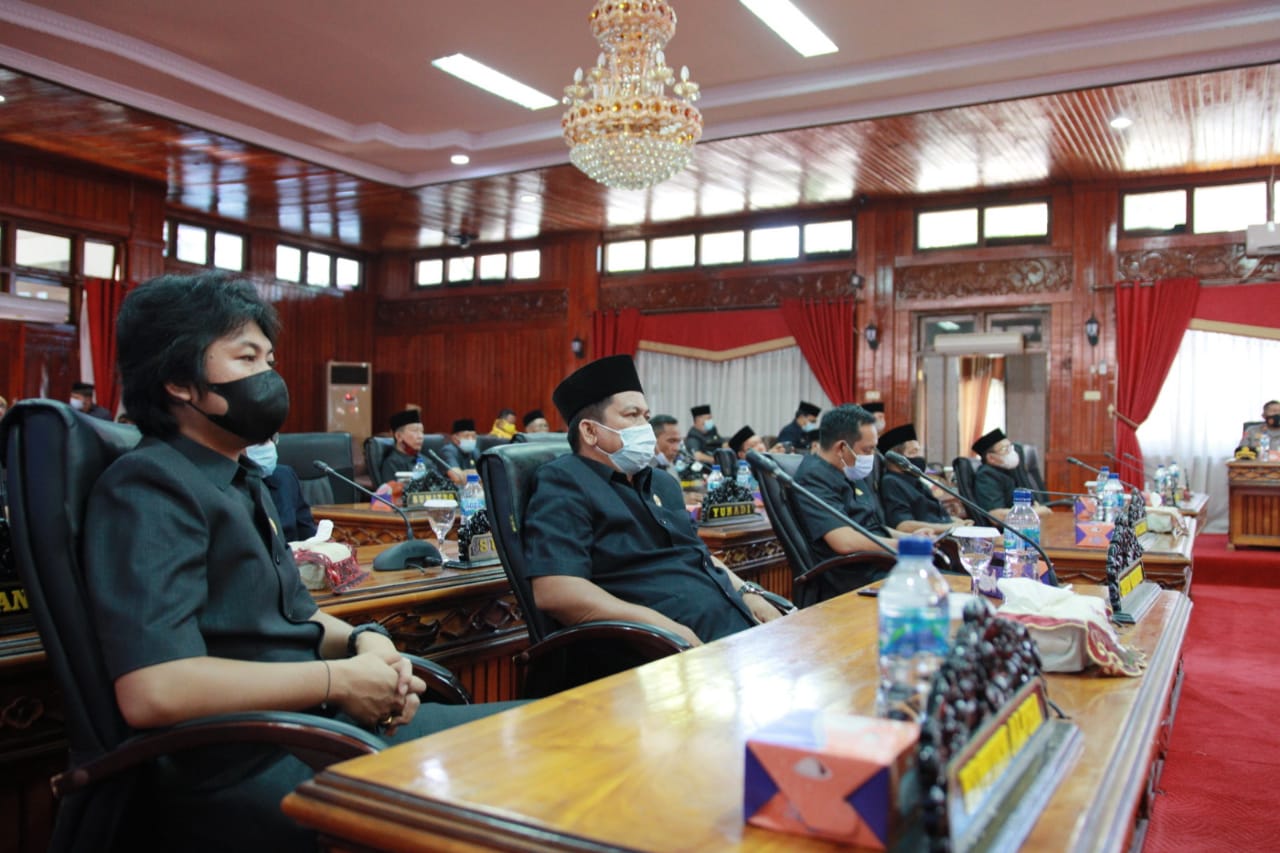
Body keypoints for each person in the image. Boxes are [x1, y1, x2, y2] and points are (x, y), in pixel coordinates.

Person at [83, 272, 515, 852]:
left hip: (318, 732)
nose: (269, 377)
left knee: (552, 734)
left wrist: (366, 642)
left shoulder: (238, 479)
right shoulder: (150, 487)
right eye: (247, 358)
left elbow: (297, 617)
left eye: (270, 359)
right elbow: (155, 688)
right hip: (246, 765)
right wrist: (340, 680)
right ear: (179, 381)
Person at [523, 355, 782, 647]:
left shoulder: (662, 483)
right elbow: (556, 590)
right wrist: (665, 630)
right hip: (657, 650)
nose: (644, 427)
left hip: (731, 628)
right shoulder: (565, 480)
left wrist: (748, 593)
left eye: (646, 417)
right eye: (632, 415)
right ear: (590, 431)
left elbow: (698, 555)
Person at [792, 404, 897, 562]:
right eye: (867, 450)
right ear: (841, 448)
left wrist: (915, 538)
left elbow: (873, 528)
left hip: (879, 560)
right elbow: (844, 542)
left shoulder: (850, 470)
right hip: (856, 569)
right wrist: (904, 546)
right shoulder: (814, 477)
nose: (872, 456)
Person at [877, 423, 968, 534]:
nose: (919, 457)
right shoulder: (891, 482)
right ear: (896, 458)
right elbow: (903, 525)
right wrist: (950, 527)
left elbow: (931, 516)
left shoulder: (913, 479)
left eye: (918, 452)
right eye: (913, 452)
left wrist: (958, 522)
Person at [246, 436, 318, 542]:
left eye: (272, 438)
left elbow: (306, 530)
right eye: (262, 441)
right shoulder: (227, 485)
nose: (269, 445)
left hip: (293, 551)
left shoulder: (285, 476)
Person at [971, 428, 1051, 519]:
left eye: (1011, 447)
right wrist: (1036, 512)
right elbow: (995, 515)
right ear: (991, 458)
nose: (1012, 452)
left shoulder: (1010, 469)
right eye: (1005, 449)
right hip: (1008, 527)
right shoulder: (986, 476)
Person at [379, 409, 424, 486]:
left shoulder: (426, 460)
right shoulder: (391, 464)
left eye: (422, 431)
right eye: (415, 431)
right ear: (398, 436)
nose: (420, 436)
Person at [439, 418, 477, 485]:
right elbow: (457, 478)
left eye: (473, 436)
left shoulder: (475, 451)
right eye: (467, 436)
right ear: (455, 438)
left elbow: (486, 474)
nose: (471, 440)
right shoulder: (447, 451)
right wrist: (476, 475)